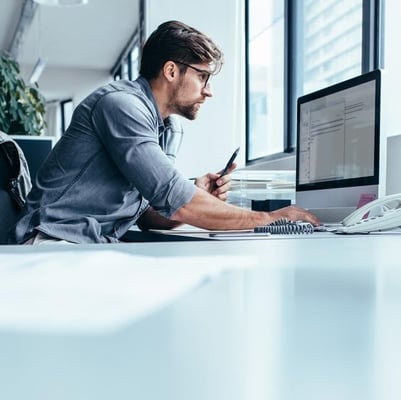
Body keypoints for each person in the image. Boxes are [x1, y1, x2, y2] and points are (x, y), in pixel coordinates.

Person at [9, 20, 318, 245]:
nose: (208, 91)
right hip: (52, 242)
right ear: (171, 71)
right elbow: (177, 200)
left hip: (90, 246)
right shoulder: (121, 106)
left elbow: (147, 216)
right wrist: (269, 219)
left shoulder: (167, 126)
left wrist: (195, 192)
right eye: (202, 77)